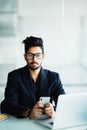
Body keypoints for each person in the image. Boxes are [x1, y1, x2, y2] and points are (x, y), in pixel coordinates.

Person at [1, 36, 65, 118]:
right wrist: (28, 113)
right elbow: (10, 104)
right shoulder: (14, 76)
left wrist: (54, 110)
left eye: (38, 55)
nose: (34, 59)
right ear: (25, 57)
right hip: (22, 122)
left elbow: (63, 103)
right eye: (30, 55)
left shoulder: (54, 77)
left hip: (45, 121)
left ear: (43, 56)